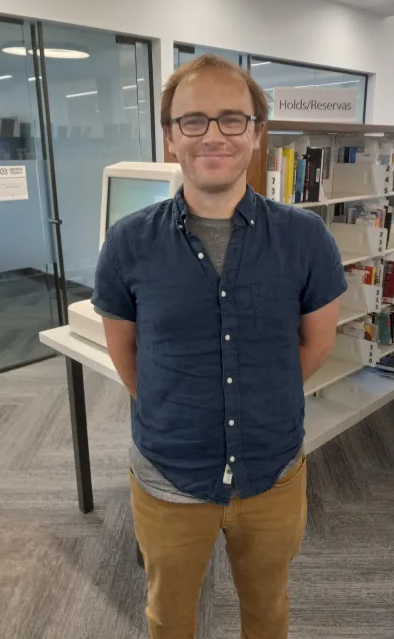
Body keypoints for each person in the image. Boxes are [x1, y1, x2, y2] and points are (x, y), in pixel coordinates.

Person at [91, 55, 347, 639]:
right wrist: (178, 406)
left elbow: (315, 346)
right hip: (168, 474)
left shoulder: (306, 238)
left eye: (233, 119)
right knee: (169, 616)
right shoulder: (128, 243)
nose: (213, 135)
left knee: (267, 610)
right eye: (194, 121)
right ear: (169, 137)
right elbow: (127, 357)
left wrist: (264, 397)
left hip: (273, 472)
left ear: (257, 133)